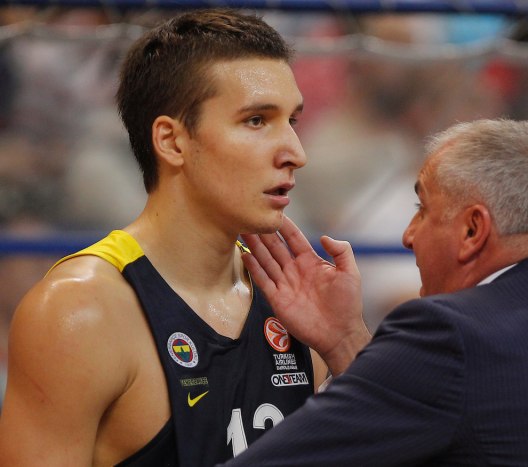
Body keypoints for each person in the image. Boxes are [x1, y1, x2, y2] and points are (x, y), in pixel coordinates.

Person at [0, 8, 328, 466]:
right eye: (256, 120)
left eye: (292, 121)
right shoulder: (78, 312)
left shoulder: (300, 302)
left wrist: (347, 342)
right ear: (172, 141)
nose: (295, 152)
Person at [222, 118, 528, 466]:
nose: (408, 235)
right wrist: (347, 340)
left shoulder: (450, 334)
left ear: (473, 230)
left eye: (422, 209)